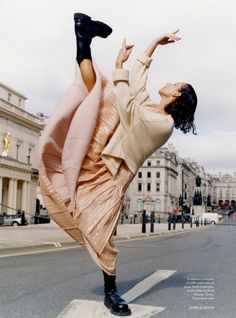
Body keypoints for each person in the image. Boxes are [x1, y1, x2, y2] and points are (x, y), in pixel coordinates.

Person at [39, 13, 197, 317]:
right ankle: (83, 35)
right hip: (102, 150)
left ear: (177, 95)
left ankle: (110, 291)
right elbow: (136, 88)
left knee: (101, 230)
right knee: (100, 88)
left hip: (111, 173)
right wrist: (152, 46)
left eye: (176, 83)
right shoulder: (151, 107)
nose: (170, 81)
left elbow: (128, 108)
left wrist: (120, 66)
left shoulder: (162, 124)